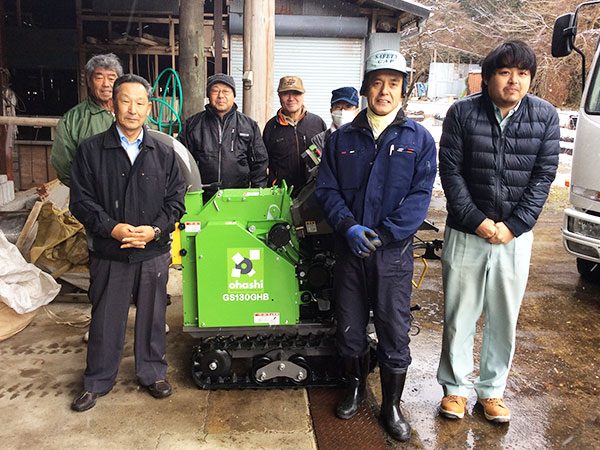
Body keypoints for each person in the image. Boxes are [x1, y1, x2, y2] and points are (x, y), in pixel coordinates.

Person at [315, 50, 436, 442]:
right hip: (350, 252)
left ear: (404, 89)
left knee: (393, 330)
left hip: (393, 255)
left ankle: (392, 406)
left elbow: (420, 198)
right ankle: (353, 388)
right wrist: (348, 227)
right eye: (378, 82)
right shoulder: (342, 138)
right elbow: (326, 189)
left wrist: (384, 233)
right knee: (349, 325)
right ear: (366, 86)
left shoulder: (419, 140)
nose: (385, 91)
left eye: (394, 83)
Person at [437, 40, 560, 423]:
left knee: (504, 316)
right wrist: (476, 219)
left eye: (523, 73)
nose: (514, 81)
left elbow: (544, 176)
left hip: (514, 238)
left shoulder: (546, 116)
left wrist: (516, 225)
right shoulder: (461, 114)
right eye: (505, 72)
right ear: (488, 77)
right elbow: (451, 171)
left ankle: (491, 391)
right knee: (460, 313)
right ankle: (455, 389)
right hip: (466, 231)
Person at [69, 74, 186, 412]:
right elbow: (81, 200)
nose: (132, 109)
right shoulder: (91, 151)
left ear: (149, 108)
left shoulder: (163, 153)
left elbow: (176, 202)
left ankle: (152, 374)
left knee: (152, 316)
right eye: (126, 101)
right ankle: (97, 380)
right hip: (111, 250)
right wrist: (112, 228)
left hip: (152, 251)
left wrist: (155, 231)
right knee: (106, 316)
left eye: (140, 102)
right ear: (113, 104)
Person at [177, 73, 268, 202]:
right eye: (215, 91)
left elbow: (259, 164)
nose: (221, 96)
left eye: (226, 91)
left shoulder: (249, 125)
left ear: (234, 95)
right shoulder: (192, 124)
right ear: (208, 95)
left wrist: (257, 196)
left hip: (239, 198)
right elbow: (180, 161)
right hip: (201, 197)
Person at [51, 53, 123, 186]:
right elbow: (63, 165)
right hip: (92, 196)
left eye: (111, 78)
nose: (106, 84)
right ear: (89, 81)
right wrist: (85, 190)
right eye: (99, 78)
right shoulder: (73, 119)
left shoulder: (132, 113)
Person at [263, 76, 326, 194]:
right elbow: (264, 163)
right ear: (279, 96)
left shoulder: (317, 123)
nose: (291, 98)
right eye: (286, 93)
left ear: (303, 95)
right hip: (281, 194)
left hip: (312, 194)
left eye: (296, 93)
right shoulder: (271, 127)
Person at [309, 86, 360, 155]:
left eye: (348, 107)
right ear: (331, 111)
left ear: (357, 112)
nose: (342, 111)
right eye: (338, 107)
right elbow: (314, 165)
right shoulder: (319, 140)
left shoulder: (364, 137)